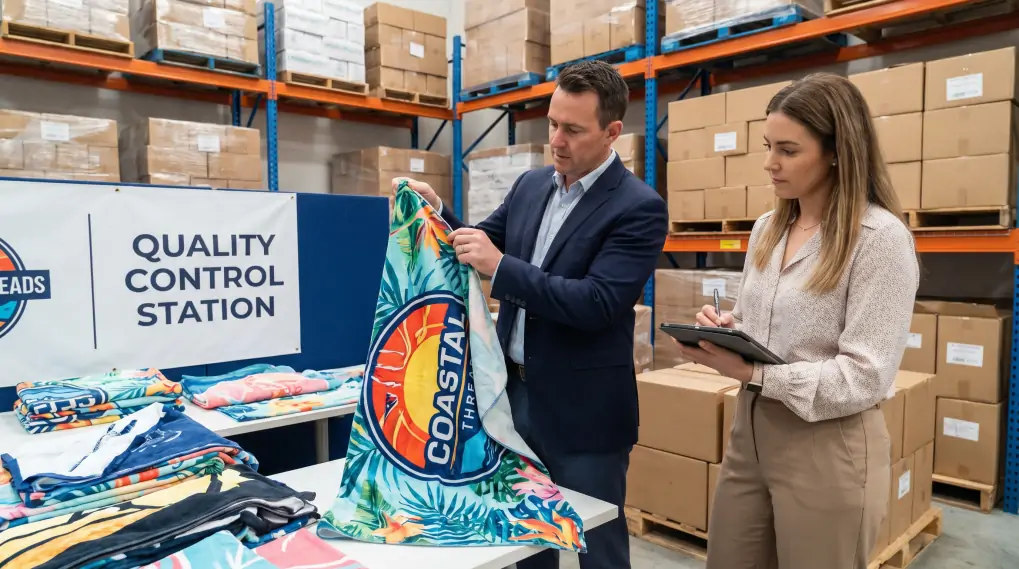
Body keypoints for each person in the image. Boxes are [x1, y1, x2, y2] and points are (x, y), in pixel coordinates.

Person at [395, 60, 668, 569]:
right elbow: (481, 243)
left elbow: (597, 303)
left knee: (598, 546)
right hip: (514, 399)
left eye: (573, 129)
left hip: (584, 413)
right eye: (552, 124)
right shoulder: (531, 186)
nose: (557, 141)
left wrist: (500, 269)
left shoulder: (638, 207)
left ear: (612, 132)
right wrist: (438, 212)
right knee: (523, 540)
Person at [674, 72, 919, 569]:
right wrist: (728, 330)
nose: (769, 163)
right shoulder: (768, 229)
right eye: (768, 146)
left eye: (788, 150)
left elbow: (865, 376)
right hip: (751, 433)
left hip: (829, 446)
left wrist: (755, 373)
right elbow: (765, 325)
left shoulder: (879, 240)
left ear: (835, 152)